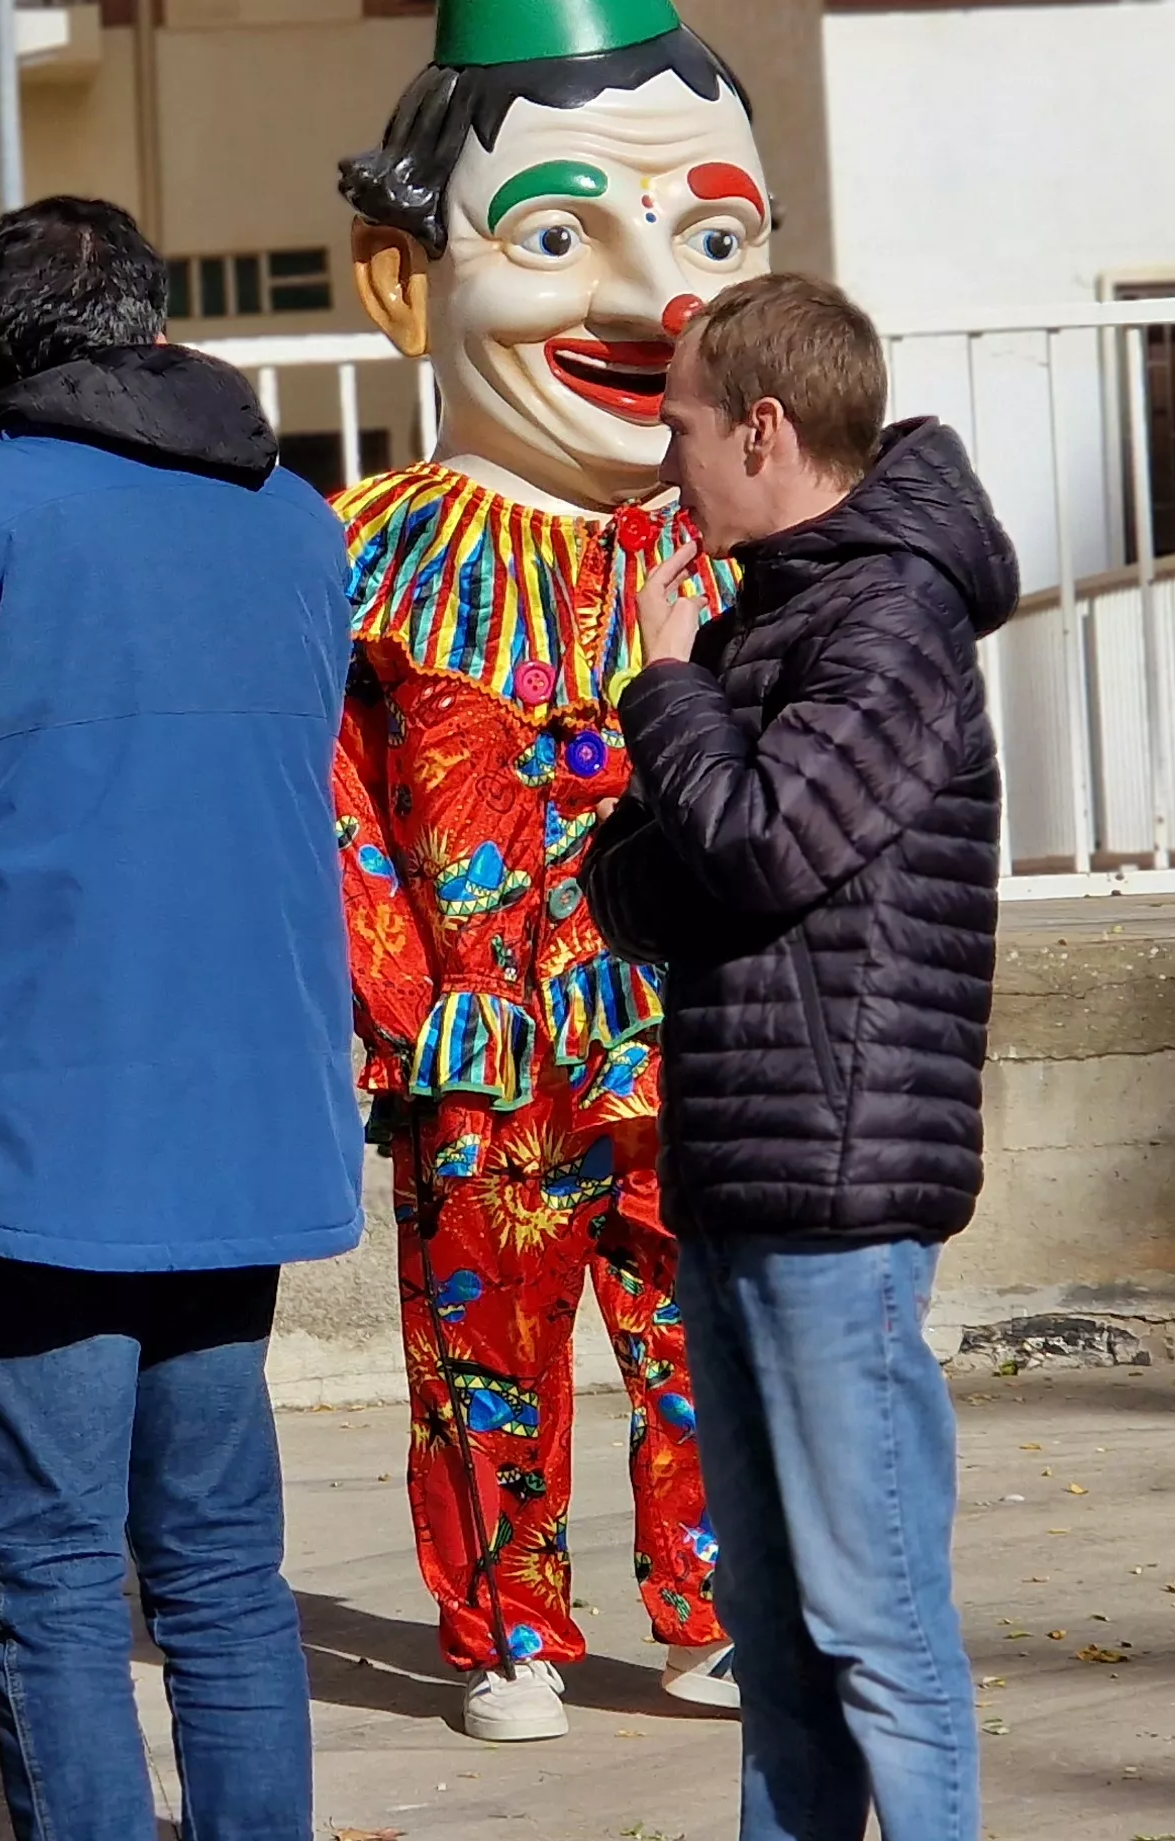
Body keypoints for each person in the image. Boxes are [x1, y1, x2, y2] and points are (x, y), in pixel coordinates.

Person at [0, 197, 362, 1841]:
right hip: (246, 1100)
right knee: (223, 1566)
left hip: (38, 1112)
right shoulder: (293, 519)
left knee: (48, 1576)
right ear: (154, 330)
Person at [327, 0, 770, 1737]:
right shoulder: (362, 560)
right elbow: (332, 808)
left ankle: (716, 1608)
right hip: (479, 1046)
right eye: (561, 236)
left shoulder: (751, 550)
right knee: (482, 1350)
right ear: (404, 280)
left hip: (697, 1029)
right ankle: (508, 1629)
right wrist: (403, 997)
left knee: (706, 1328)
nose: (658, 299)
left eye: (715, 238)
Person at [580, 273, 1016, 1841]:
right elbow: (634, 882)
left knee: (872, 1624)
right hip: (739, 1172)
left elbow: (756, 846)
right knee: (773, 1641)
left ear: (763, 428)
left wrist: (665, 683)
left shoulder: (890, 618)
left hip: (834, 1183)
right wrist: (690, 769)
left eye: (683, 425)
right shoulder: (776, 610)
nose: (667, 460)